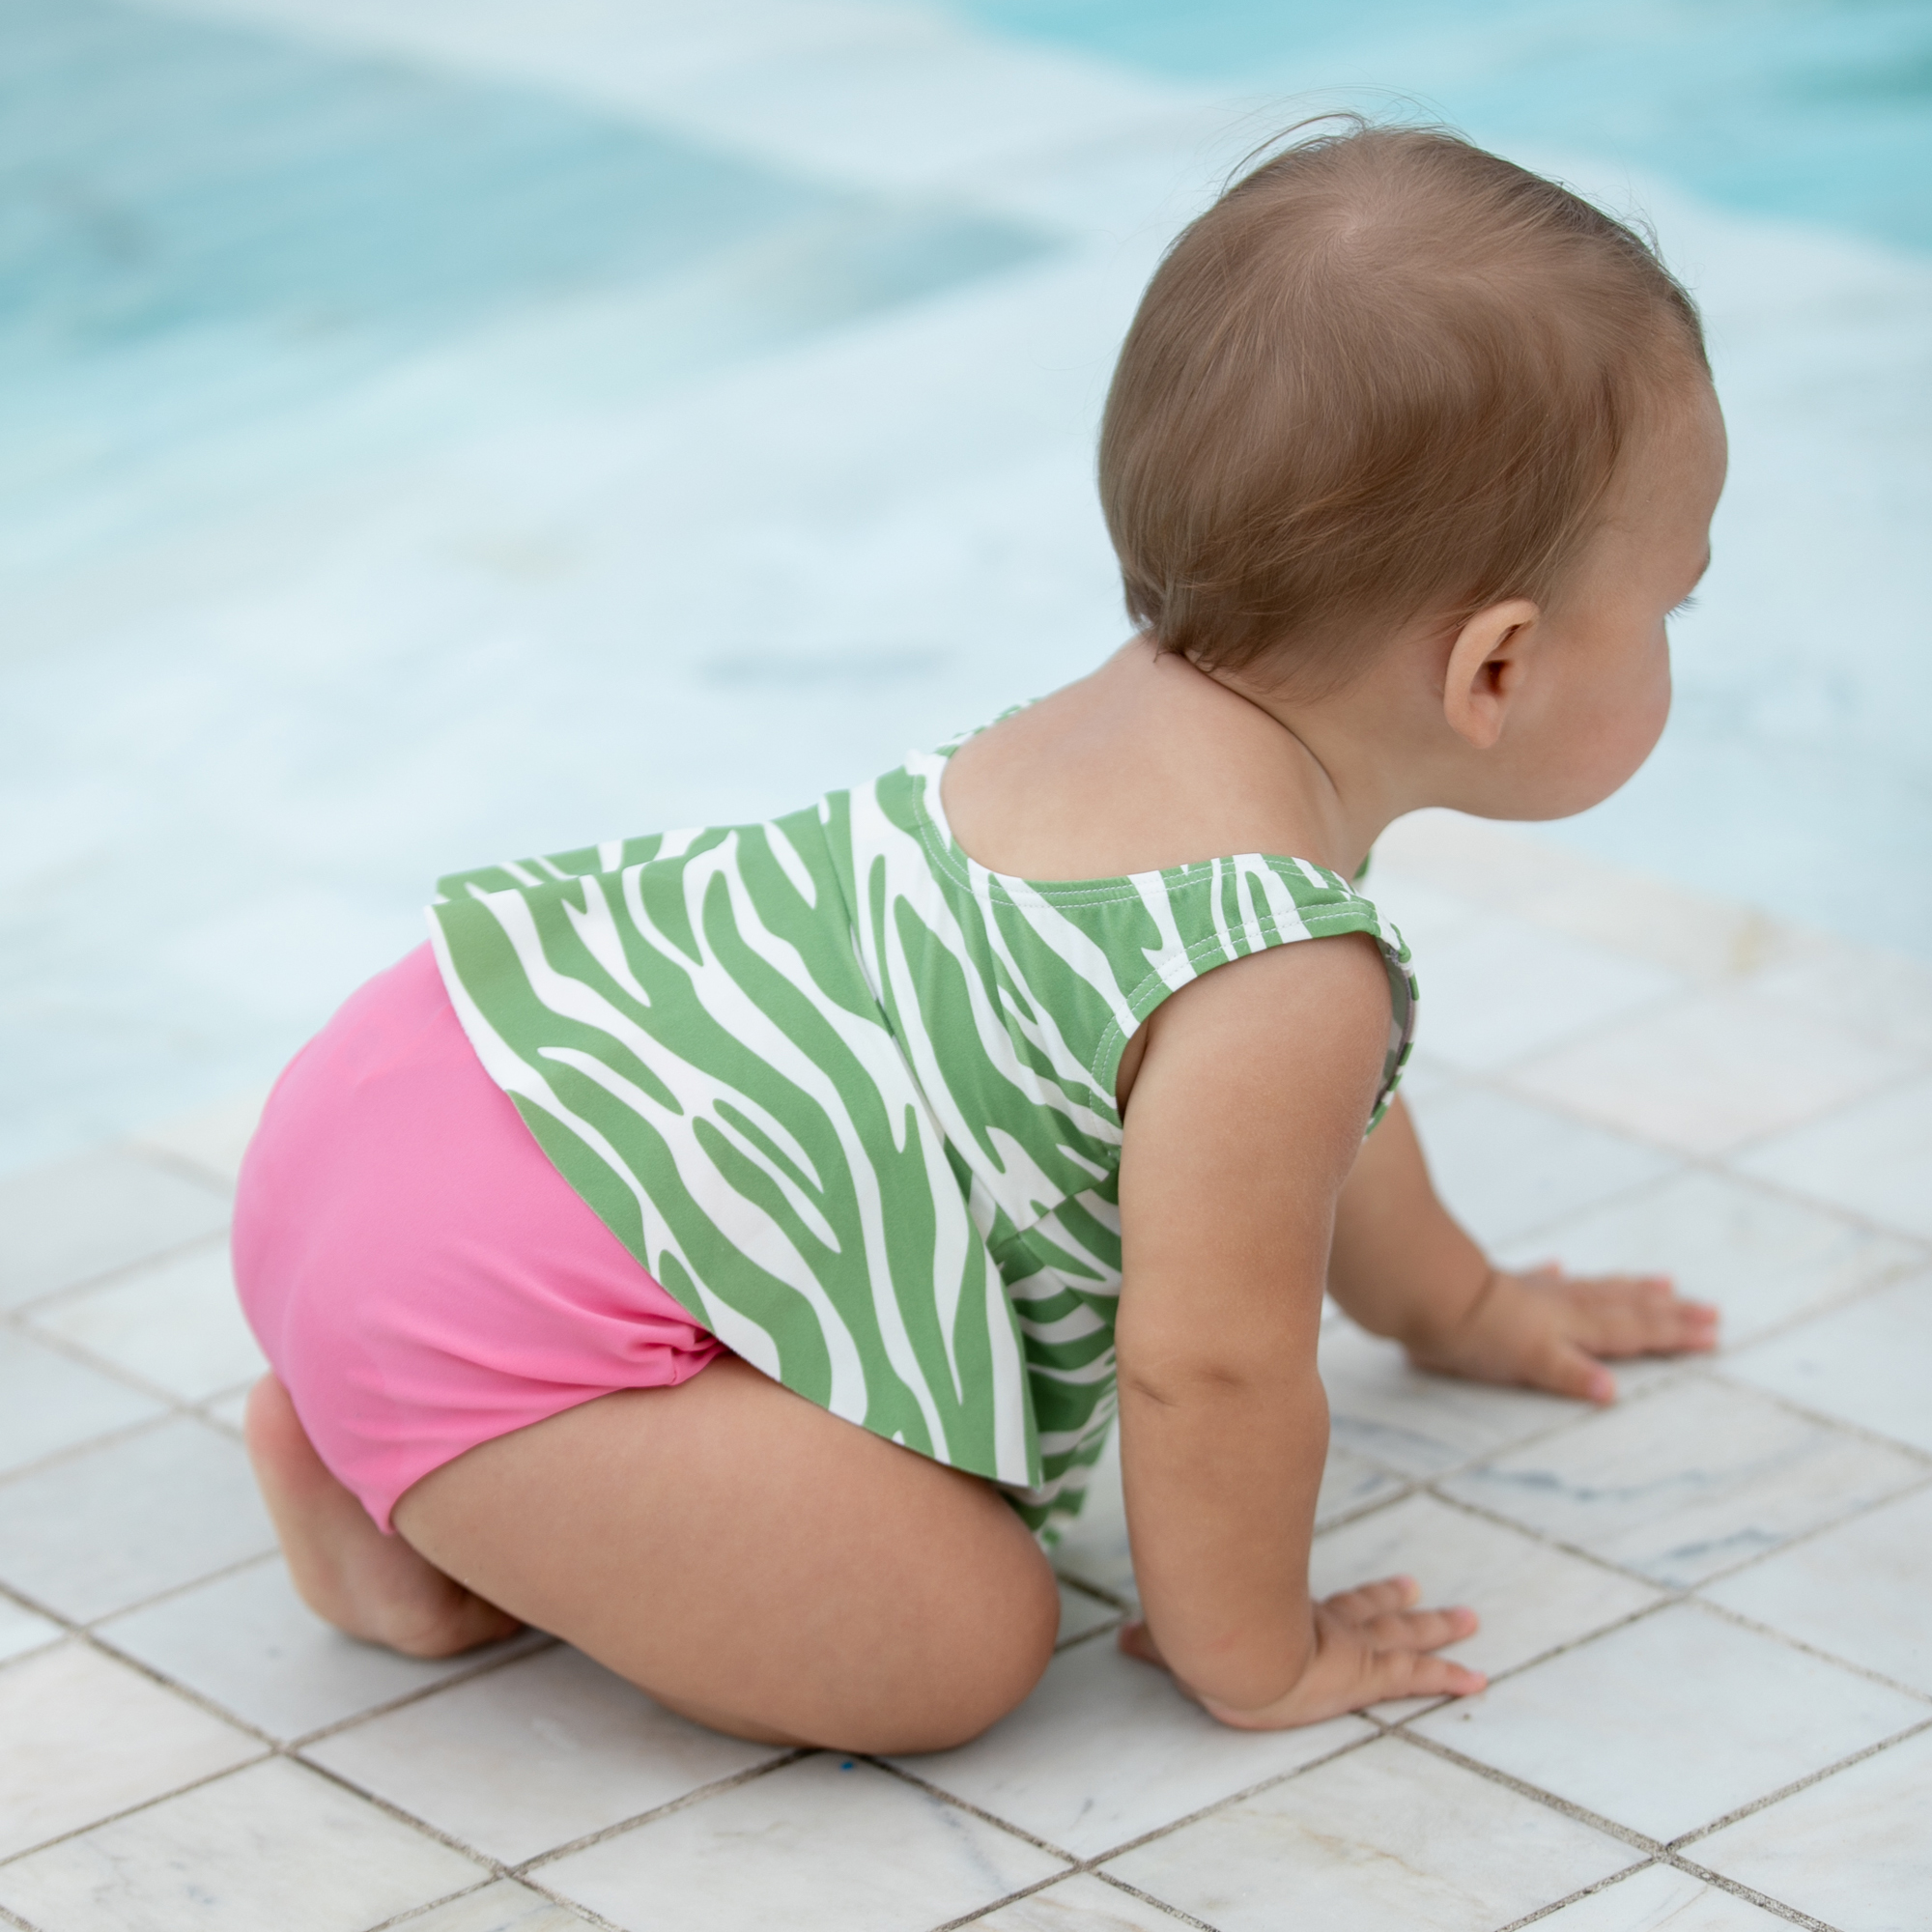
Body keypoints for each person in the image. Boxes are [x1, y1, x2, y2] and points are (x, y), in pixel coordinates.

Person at [235, 122, 1724, 1755]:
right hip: (504, 1295)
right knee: (958, 1643)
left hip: (414, 1090)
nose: (1678, 639)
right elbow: (1211, 1372)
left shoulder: (1114, 744)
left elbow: (1304, 1140)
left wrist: (1461, 1307)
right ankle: (408, 1525)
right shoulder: (1279, 974)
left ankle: (391, 1418)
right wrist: (1255, 1652)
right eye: (1675, 605)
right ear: (1495, 670)